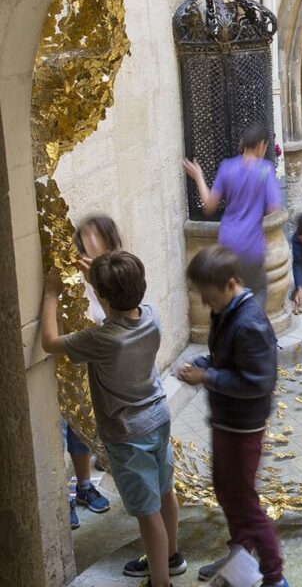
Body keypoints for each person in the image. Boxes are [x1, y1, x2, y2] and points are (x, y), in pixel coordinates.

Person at [41, 251, 184, 587]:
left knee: (146, 512)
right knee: (165, 492)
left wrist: (50, 294)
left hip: (127, 434)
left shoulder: (102, 339)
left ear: (103, 297)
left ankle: (160, 581)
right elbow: (121, 305)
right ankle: (173, 556)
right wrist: (100, 281)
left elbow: (49, 342)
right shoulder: (152, 315)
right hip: (158, 417)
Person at [177, 246, 288, 587]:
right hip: (226, 420)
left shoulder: (250, 322)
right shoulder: (226, 313)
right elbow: (225, 360)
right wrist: (205, 365)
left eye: (209, 297)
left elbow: (258, 381)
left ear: (229, 285)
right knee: (226, 492)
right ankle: (240, 560)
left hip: (243, 425)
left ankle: (274, 575)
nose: (206, 305)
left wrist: (208, 377)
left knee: (244, 502)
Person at [183, 122, 281, 308]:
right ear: (262, 145)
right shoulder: (265, 170)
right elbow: (274, 207)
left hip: (227, 245)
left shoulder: (227, 167)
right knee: (257, 292)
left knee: (229, 295)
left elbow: (209, 206)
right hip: (251, 246)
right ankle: (251, 331)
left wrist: (198, 176)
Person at [63, 215, 120, 529]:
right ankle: (66, 496)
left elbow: (119, 321)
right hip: (64, 367)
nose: (87, 241)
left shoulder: (116, 277)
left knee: (81, 433)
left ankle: (84, 486)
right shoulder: (68, 274)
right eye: (83, 235)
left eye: (94, 236)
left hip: (93, 371)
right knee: (61, 432)